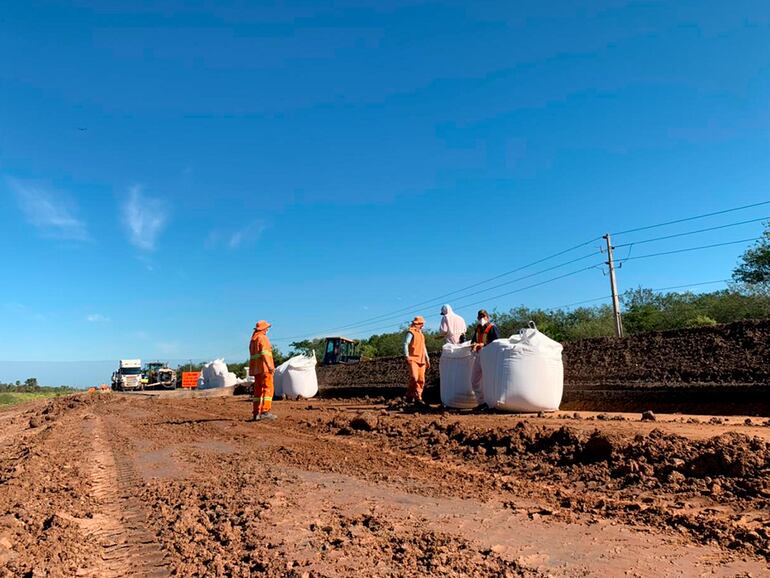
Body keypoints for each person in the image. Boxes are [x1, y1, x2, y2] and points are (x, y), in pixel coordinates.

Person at [249, 320, 277, 421]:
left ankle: (256, 413)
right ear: (263, 329)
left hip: (256, 369)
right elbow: (265, 353)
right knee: (268, 389)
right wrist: (270, 366)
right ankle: (265, 411)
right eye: (267, 328)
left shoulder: (253, 340)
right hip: (264, 369)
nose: (268, 329)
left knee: (257, 392)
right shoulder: (263, 338)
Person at [470, 309, 499, 407]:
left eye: (483, 316)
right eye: (480, 317)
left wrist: (484, 344)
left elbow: (497, 343)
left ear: (487, 317)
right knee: (474, 380)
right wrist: (473, 344)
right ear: (477, 318)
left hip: (489, 356)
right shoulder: (477, 329)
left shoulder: (492, 328)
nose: (482, 318)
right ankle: (481, 403)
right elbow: (473, 341)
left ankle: (491, 403)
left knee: (488, 380)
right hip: (478, 355)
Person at [403, 315, 430, 404]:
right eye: (421, 324)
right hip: (413, 358)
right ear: (418, 323)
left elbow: (423, 346)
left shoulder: (421, 334)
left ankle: (416, 396)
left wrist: (427, 358)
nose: (422, 325)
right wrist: (406, 355)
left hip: (421, 359)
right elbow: (406, 343)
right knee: (414, 377)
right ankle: (411, 395)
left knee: (421, 380)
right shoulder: (411, 332)